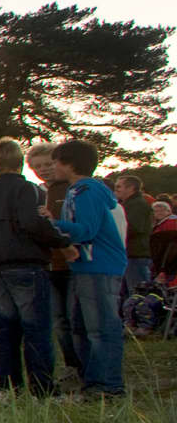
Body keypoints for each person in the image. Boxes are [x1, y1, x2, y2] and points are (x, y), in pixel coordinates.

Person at [51, 140, 127, 398]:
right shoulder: (76, 191)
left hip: (99, 265)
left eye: (55, 162)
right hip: (85, 266)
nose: (53, 167)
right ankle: (91, 379)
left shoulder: (88, 191)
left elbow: (87, 230)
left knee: (101, 328)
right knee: (81, 328)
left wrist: (52, 224)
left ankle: (108, 385)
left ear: (69, 164)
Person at [28, 141, 81, 377]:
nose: (44, 169)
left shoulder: (71, 190)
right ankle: (71, 364)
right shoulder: (36, 193)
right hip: (47, 265)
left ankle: (85, 364)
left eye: (48, 164)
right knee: (59, 320)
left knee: (75, 317)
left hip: (71, 262)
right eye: (38, 166)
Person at [116, 175, 153, 290]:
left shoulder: (137, 204)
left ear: (131, 188)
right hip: (131, 253)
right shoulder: (129, 204)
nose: (116, 190)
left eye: (119, 186)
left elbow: (133, 227)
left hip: (136, 254)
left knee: (138, 292)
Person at [150, 201, 177, 277]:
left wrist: (162, 268)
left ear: (169, 211)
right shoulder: (162, 223)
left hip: (169, 264)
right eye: (156, 211)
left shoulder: (171, 223)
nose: (159, 213)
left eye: (162, 210)